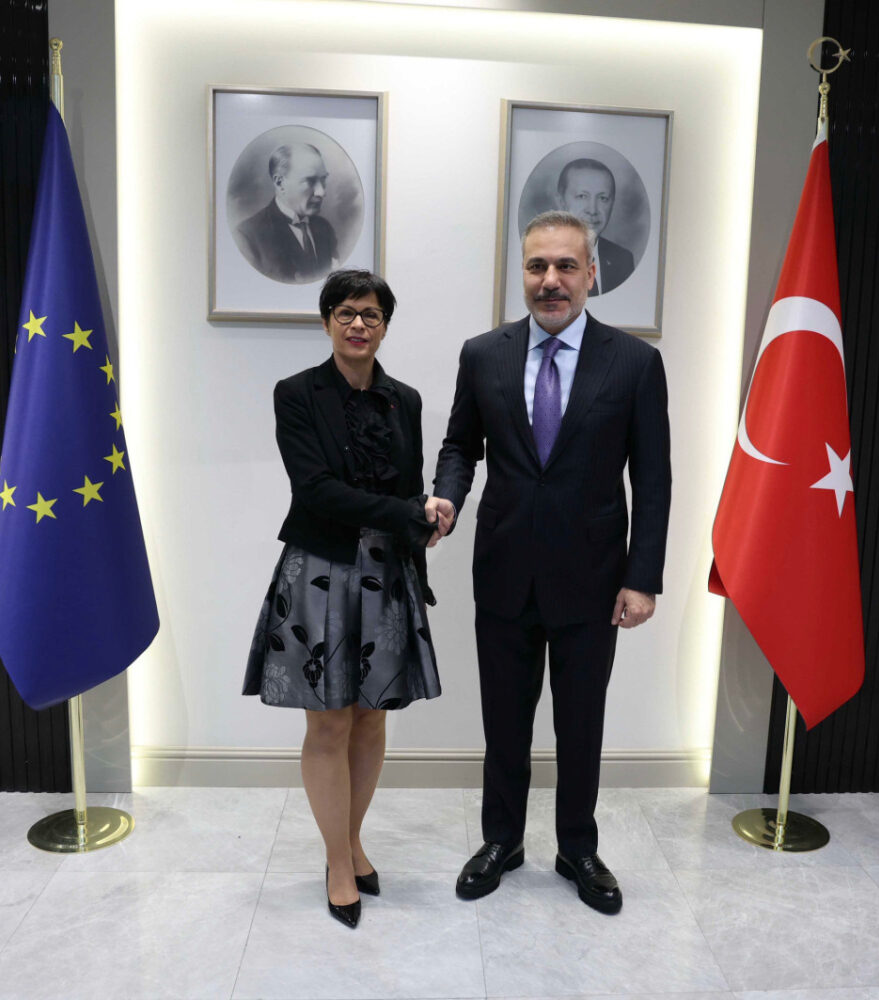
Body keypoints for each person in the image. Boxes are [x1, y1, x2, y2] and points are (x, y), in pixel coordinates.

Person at [427, 211, 670, 914]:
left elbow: (653, 479)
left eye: (566, 266)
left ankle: (577, 848)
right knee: (504, 722)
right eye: (537, 266)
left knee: (580, 724)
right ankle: (501, 841)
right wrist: (447, 498)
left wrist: (643, 577)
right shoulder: (484, 355)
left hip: (594, 580)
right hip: (504, 570)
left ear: (592, 273)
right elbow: (459, 446)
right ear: (523, 274)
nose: (551, 280)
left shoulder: (634, 363)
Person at [244, 269, 445, 928]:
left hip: (387, 574)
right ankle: (337, 861)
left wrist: (424, 529)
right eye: (345, 312)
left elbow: (411, 487)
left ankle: (352, 840)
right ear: (327, 320)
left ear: (385, 325)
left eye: (371, 314)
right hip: (321, 571)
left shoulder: (406, 400)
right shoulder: (296, 393)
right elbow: (316, 490)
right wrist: (407, 512)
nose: (358, 324)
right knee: (328, 721)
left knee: (371, 716)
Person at [234, 142, 339, 284]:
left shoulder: (325, 228)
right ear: (280, 183)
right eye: (310, 181)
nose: (321, 192)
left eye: (323, 179)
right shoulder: (247, 236)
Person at [557, 158, 635, 295]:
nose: (593, 210)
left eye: (603, 198)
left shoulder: (623, 260)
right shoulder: (540, 257)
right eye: (582, 196)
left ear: (612, 204)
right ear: (561, 203)